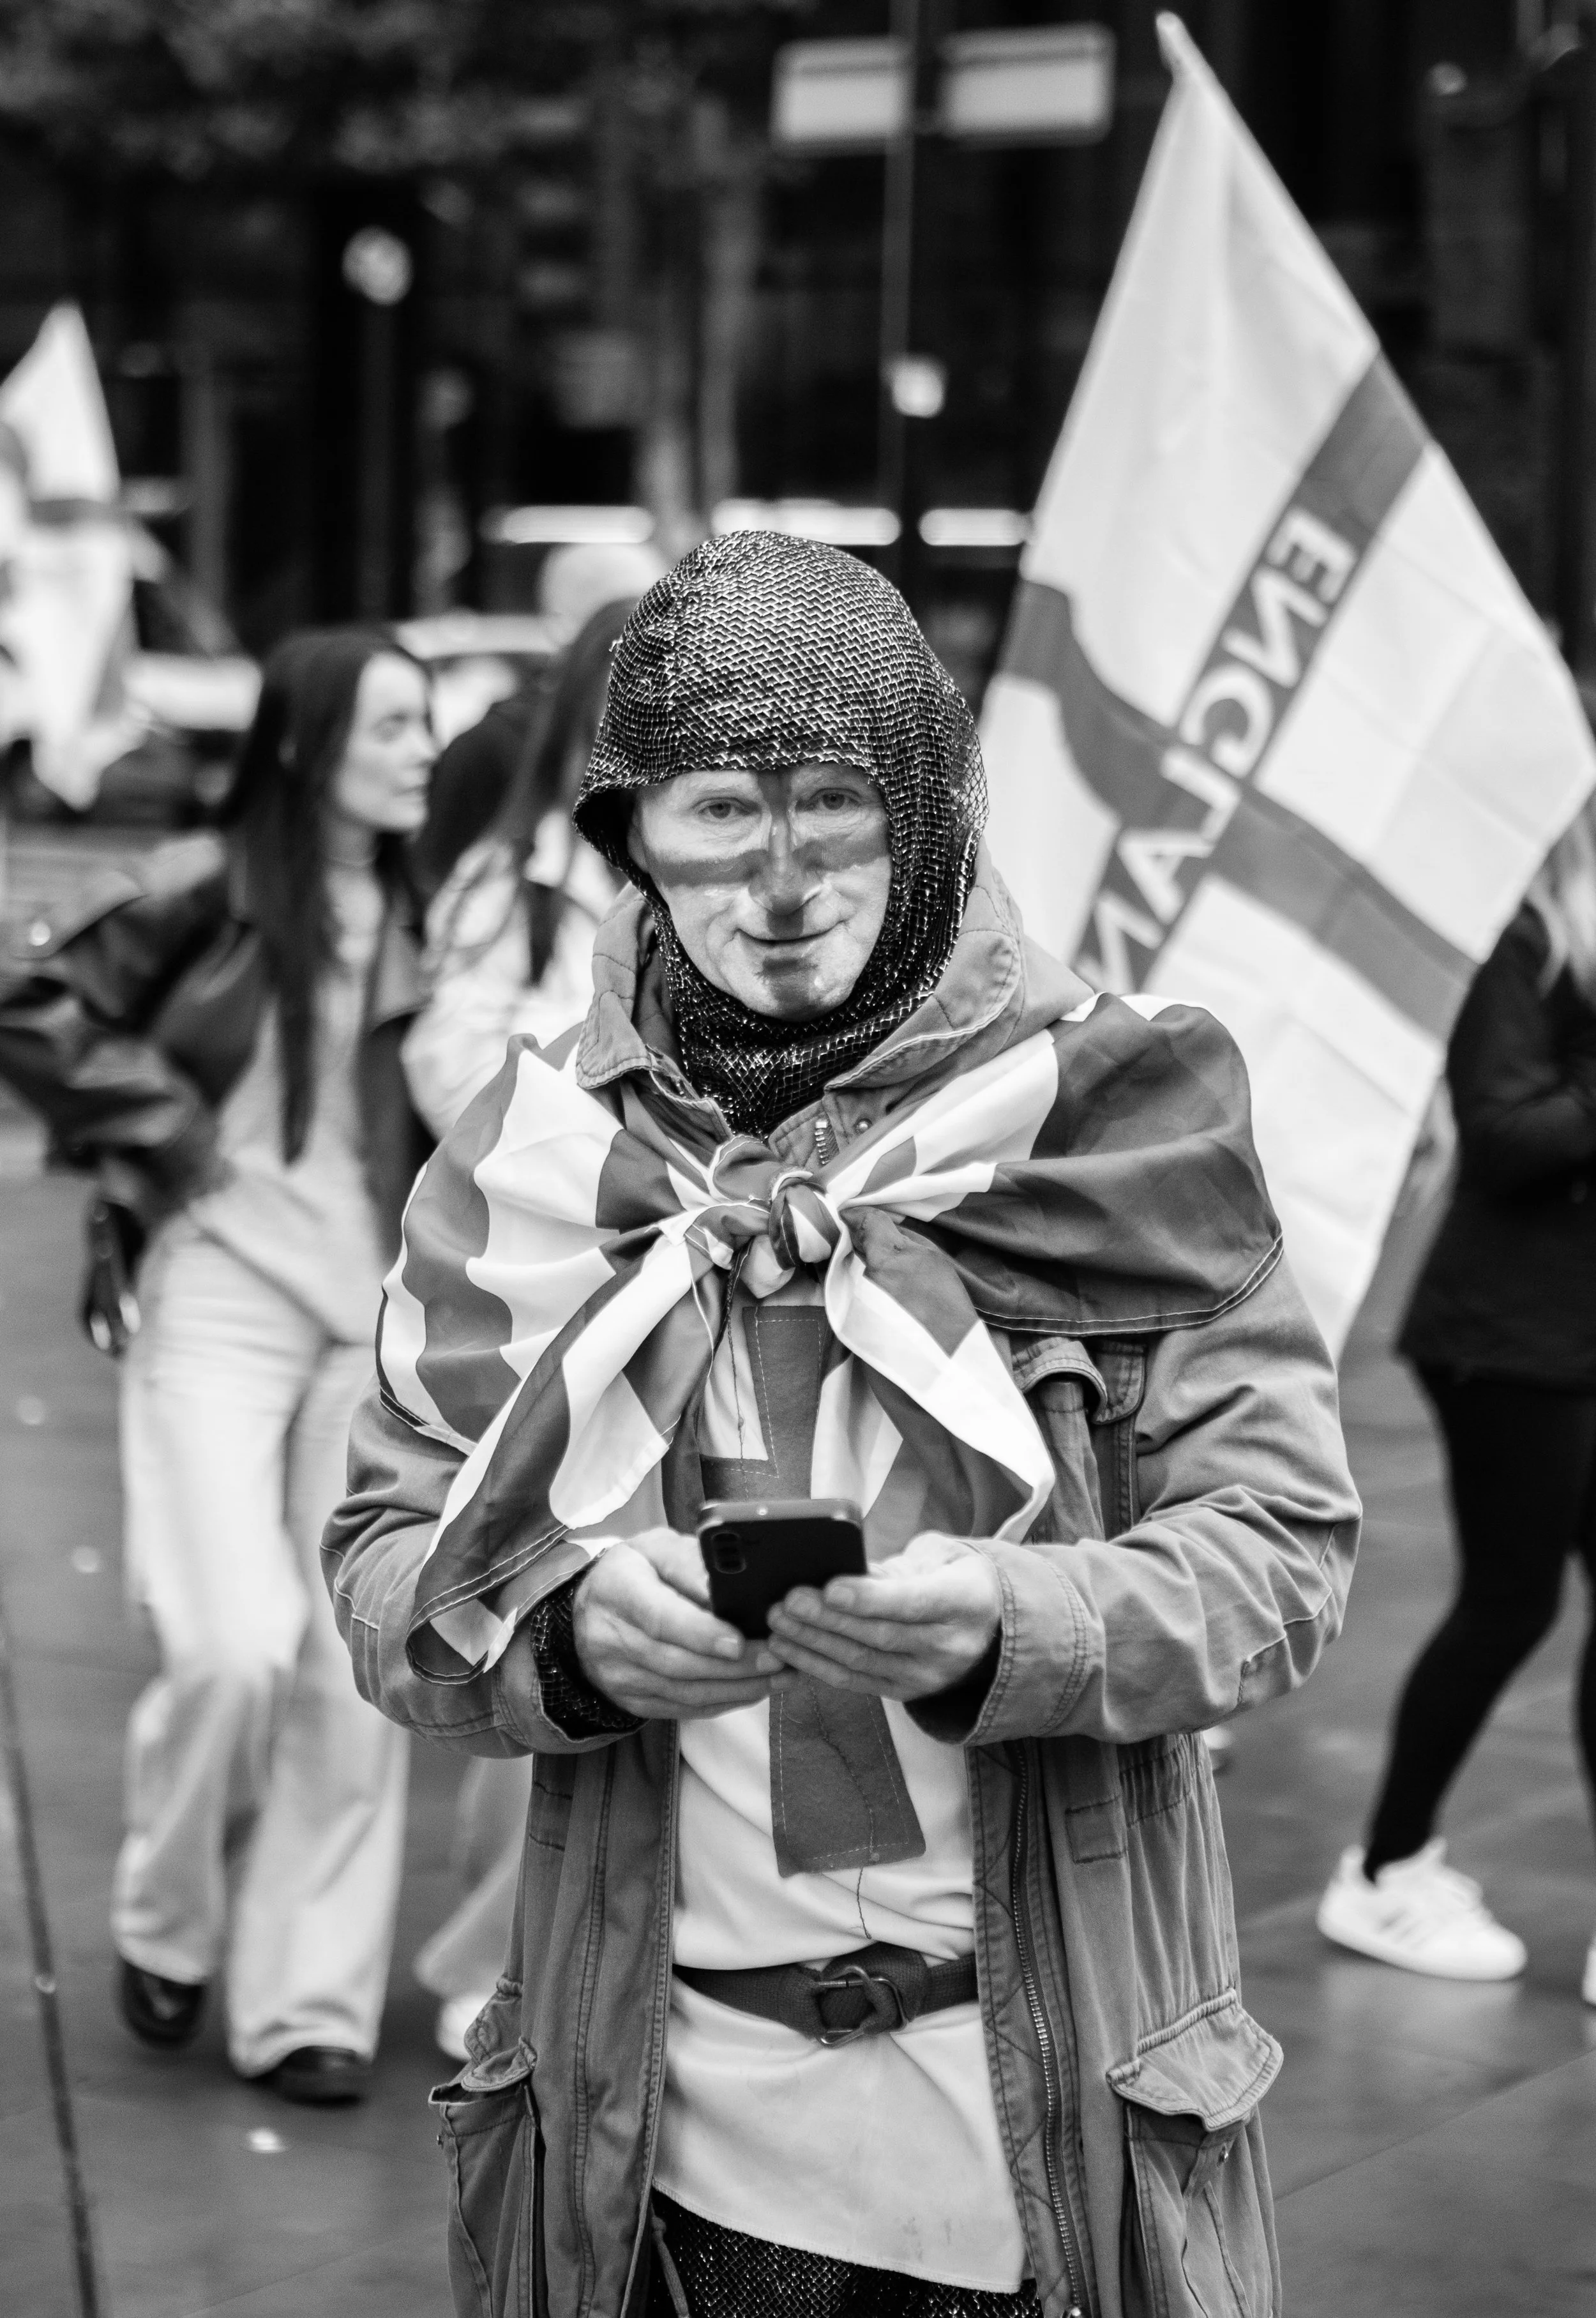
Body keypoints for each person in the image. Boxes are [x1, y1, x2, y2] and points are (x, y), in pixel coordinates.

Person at [325, 533, 1360, 2317]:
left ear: (936, 811)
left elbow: (1281, 1549)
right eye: (721, 808)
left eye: (835, 804)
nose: (783, 880)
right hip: (648, 2153)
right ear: (627, 832)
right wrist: (563, 1639)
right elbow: (383, 1570)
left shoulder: (1116, 1115)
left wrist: (1016, 1624)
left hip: (1038, 2140)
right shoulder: (536, 1161)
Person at [0, 627, 435, 2104]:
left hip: (372, 1323)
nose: (417, 750)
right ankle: (167, 1920)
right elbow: (27, 1000)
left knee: (348, 1672)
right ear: (309, 742)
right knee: (229, 1645)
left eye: (426, 723)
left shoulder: (438, 914)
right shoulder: (207, 885)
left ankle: (306, 2004)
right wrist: (172, 1139)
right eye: (390, 724)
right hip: (216, 1300)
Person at [403, 595, 638, 2060]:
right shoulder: (521, 878)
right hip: (541, 1300)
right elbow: (446, 1060)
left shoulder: (708, 873)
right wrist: (594, 1155)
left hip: (669, 1305)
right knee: (529, 1610)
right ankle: (487, 1956)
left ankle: (528, 1942)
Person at [1320, 797, 1596, 1997]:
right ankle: (1381, 1870)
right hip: (1506, 1338)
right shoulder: (1524, 942)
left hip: (1575, 1330)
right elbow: (1503, 1136)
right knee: (1509, 1603)